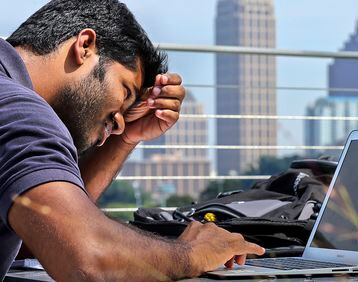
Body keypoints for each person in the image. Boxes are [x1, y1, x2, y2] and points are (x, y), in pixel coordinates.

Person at [0, 0, 264, 280]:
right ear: (85, 45)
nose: (119, 123)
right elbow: (87, 259)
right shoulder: (19, 111)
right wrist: (194, 252)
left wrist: (124, 138)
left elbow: (41, 238)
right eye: (126, 92)